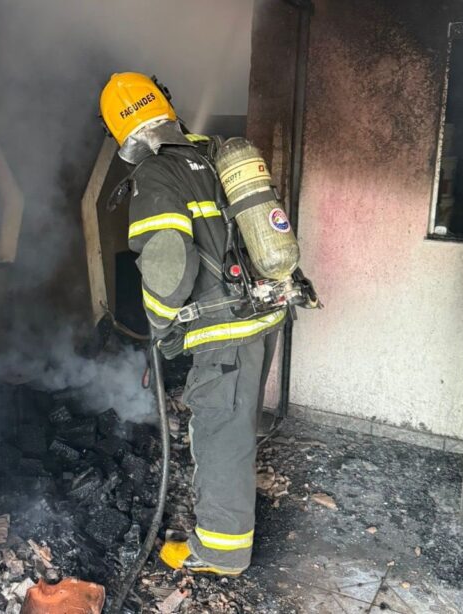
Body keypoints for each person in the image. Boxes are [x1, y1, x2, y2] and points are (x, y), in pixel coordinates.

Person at [99, 72, 286, 576]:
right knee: (234, 421)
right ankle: (227, 530)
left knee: (219, 433)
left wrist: (160, 329)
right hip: (259, 314)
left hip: (224, 328)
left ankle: (222, 552)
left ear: (124, 132)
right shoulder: (212, 153)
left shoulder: (158, 173)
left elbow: (167, 264)